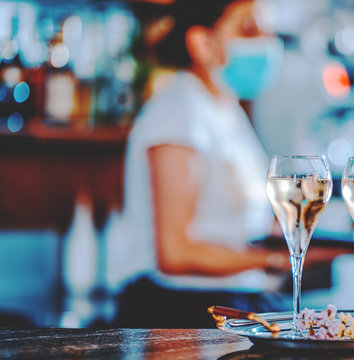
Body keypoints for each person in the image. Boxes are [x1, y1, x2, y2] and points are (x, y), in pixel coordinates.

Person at [115, 0, 291, 328]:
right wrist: (277, 260)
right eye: (249, 30)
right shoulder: (178, 113)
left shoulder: (224, 109)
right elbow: (175, 254)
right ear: (202, 43)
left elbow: (236, 223)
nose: (267, 44)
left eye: (270, 32)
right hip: (181, 311)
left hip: (232, 303)